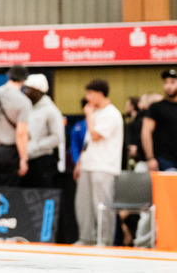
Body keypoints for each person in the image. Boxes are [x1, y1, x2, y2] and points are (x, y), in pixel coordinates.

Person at [73, 79, 123, 246]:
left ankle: (105, 240)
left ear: (99, 94)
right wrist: (80, 162)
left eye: (90, 94)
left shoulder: (111, 113)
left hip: (104, 166)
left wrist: (88, 114)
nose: (87, 98)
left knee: (101, 205)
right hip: (88, 164)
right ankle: (86, 238)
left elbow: (96, 135)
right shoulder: (96, 113)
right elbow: (88, 142)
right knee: (83, 204)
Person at [0, 64, 31, 187]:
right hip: (11, 153)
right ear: (24, 80)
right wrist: (24, 158)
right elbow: (21, 133)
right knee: (11, 194)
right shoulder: (23, 101)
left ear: (9, 76)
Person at [142, 69, 177, 172]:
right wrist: (150, 158)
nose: (168, 86)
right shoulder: (156, 107)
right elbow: (146, 132)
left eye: (172, 82)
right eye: (166, 82)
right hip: (163, 160)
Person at [21, 74, 64, 189]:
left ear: (38, 91)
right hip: (27, 160)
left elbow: (57, 137)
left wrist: (34, 146)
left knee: (42, 196)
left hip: (43, 162)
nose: (25, 91)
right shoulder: (27, 108)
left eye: (29, 89)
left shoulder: (51, 110)